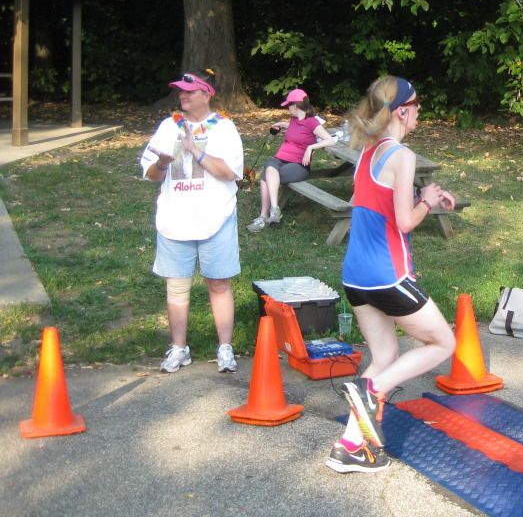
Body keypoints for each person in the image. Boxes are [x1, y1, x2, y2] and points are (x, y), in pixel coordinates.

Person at [325, 76, 456, 474]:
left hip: (356, 277)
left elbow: (377, 206)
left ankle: (350, 448)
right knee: (442, 343)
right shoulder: (402, 155)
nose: (419, 113)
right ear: (403, 110)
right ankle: (372, 391)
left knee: (384, 356)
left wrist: (422, 197)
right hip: (387, 276)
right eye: (417, 106)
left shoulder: (367, 150)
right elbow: (403, 222)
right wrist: (427, 204)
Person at [140, 70, 245, 374]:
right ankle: (178, 348)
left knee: (218, 283)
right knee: (177, 286)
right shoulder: (167, 127)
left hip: (217, 218)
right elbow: (151, 174)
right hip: (175, 219)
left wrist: (195, 150)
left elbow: (230, 172)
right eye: (180, 91)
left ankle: (225, 347)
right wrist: (160, 164)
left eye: (190, 91)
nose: (183, 96)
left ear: (207, 93)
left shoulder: (224, 128)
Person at [247, 88, 336, 232]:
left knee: (266, 177)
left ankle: (264, 216)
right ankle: (273, 210)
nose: (287, 108)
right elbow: (296, 128)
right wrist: (282, 125)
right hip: (281, 159)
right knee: (270, 165)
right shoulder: (294, 119)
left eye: (289, 105)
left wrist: (311, 148)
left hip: (299, 165)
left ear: (296, 106)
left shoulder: (312, 122)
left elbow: (330, 140)